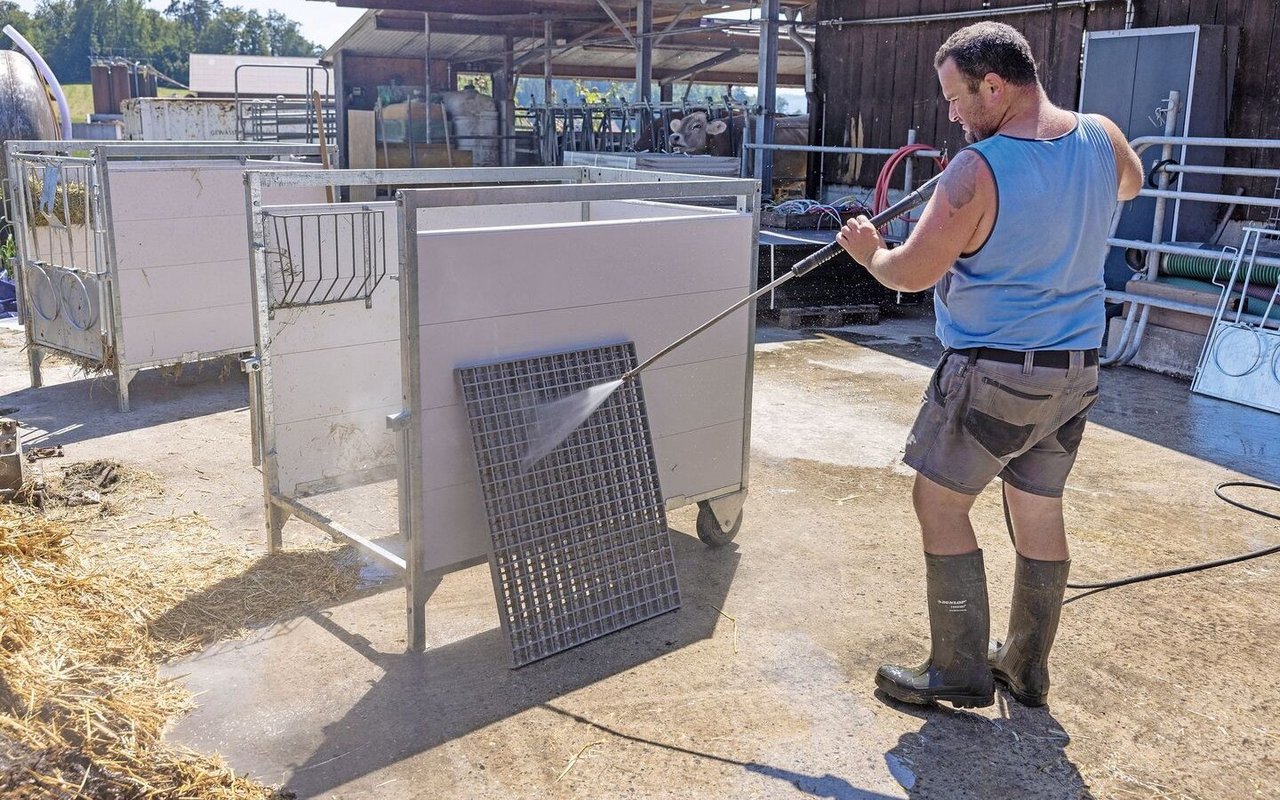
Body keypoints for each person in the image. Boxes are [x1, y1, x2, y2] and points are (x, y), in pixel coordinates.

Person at [836, 21, 1143, 709]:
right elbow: (1130, 184)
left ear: (995, 86)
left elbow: (910, 274)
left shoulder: (975, 172)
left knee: (937, 502)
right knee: (1038, 506)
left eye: (956, 97)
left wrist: (866, 249)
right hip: (1074, 371)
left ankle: (957, 668)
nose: (950, 113)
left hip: (995, 373)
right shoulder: (1100, 135)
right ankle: (1028, 668)